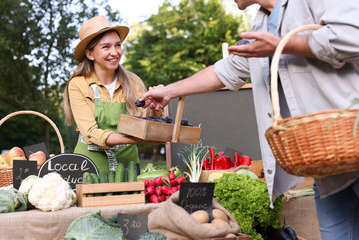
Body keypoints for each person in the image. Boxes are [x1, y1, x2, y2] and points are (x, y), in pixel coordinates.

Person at [139, 0, 359, 239]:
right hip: (329, 165)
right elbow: (227, 71)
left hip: (351, 140)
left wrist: (281, 45)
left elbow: (352, 35)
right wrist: (170, 91)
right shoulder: (262, 23)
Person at [64, 15, 161, 172]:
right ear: (90, 54)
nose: (115, 52)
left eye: (118, 45)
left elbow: (147, 123)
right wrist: (135, 141)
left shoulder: (133, 82)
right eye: (106, 47)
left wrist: (156, 109)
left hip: (128, 165)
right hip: (90, 165)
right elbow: (90, 133)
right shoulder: (78, 84)